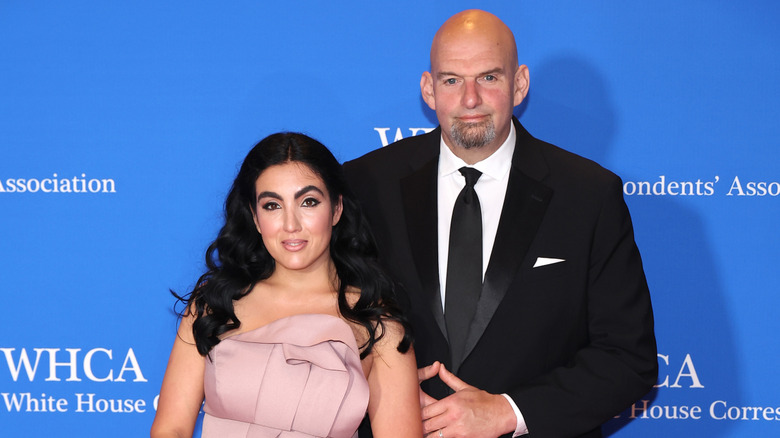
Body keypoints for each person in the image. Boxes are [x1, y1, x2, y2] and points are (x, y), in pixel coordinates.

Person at [343, 9, 657, 438]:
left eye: (488, 77)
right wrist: (379, 390)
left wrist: (509, 412)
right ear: (428, 89)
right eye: (452, 80)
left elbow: (628, 359)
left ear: (519, 84)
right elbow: (321, 321)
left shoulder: (588, 195)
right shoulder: (364, 185)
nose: (469, 99)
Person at [151, 133, 423, 438]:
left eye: (308, 202)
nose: (291, 224)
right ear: (254, 217)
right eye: (272, 206)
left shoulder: (377, 322)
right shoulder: (214, 304)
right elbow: (170, 429)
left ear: (336, 209)